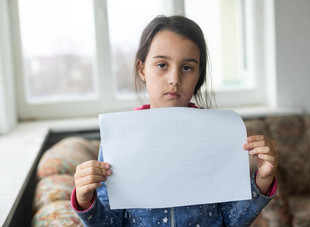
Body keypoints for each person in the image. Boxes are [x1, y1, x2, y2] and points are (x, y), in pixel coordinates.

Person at [71, 15, 279, 226]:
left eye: (187, 67)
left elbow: (232, 220)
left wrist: (263, 179)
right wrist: (85, 198)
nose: (175, 79)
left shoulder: (217, 134)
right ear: (142, 69)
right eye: (162, 64)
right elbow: (110, 223)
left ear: (199, 75)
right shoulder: (121, 137)